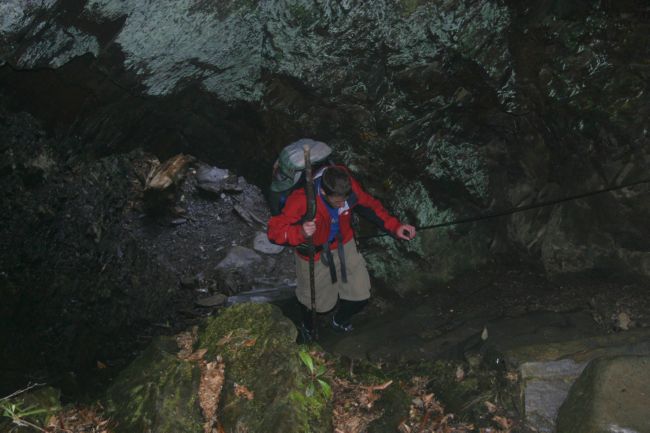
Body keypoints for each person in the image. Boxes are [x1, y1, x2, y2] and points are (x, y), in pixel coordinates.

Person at [267, 164, 416, 341]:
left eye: (345, 200)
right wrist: (300, 232)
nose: (343, 204)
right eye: (338, 202)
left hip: (344, 243)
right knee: (317, 304)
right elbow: (274, 232)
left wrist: (396, 227)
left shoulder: (347, 187)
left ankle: (339, 321)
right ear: (323, 192)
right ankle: (307, 326)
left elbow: (370, 206)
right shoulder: (302, 200)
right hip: (314, 253)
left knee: (360, 294)